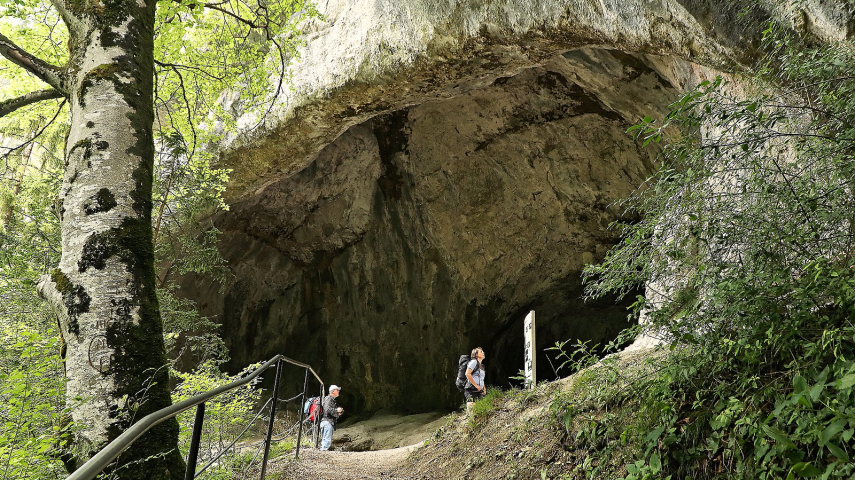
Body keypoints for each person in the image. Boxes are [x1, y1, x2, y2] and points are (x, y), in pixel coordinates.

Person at [319, 384, 344, 451]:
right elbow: (327, 410)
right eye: (337, 390)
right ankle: (323, 454)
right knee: (326, 441)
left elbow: (330, 411)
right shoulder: (328, 399)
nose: (338, 391)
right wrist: (337, 410)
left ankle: (323, 453)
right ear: (333, 391)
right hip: (327, 422)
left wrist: (339, 412)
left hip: (328, 422)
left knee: (326, 440)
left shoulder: (332, 400)